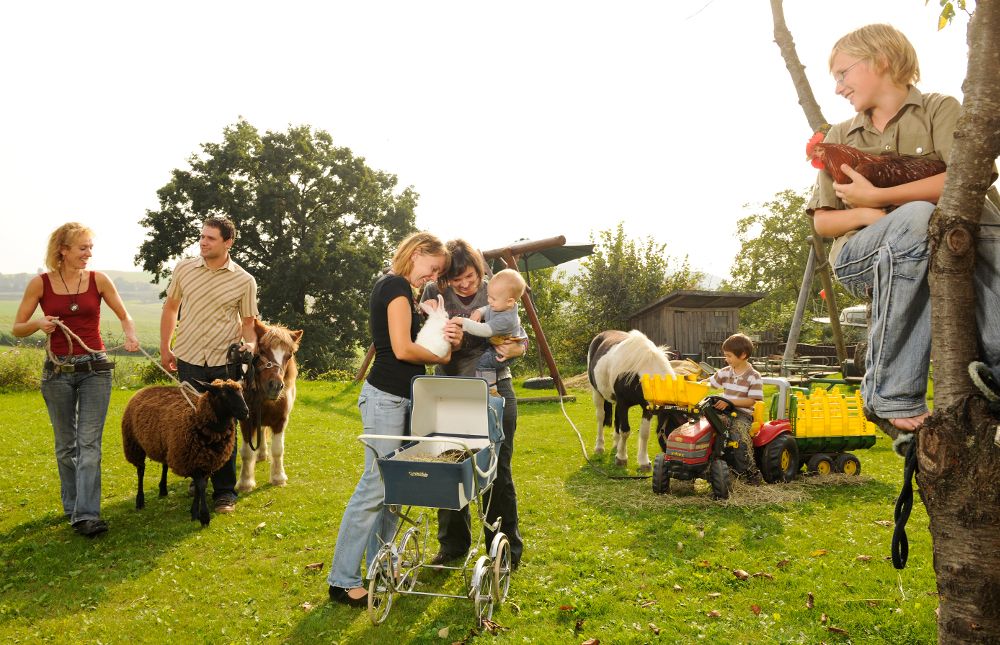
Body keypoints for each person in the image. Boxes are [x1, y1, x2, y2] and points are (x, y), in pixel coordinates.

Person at [808, 23, 1000, 432]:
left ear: (881, 60)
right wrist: (867, 215)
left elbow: (970, 177)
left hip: (957, 241)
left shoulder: (938, 108)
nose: (839, 87)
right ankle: (890, 392)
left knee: (979, 217)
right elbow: (823, 221)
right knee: (915, 217)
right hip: (863, 253)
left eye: (843, 73)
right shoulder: (842, 135)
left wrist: (876, 197)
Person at [327, 232, 457, 607]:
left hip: (398, 398)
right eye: (431, 268)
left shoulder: (397, 287)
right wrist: (441, 357)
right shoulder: (397, 286)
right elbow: (401, 348)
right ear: (417, 254)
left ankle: (381, 566)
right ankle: (342, 579)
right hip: (385, 399)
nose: (429, 277)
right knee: (376, 484)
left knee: (393, 486)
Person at [12, 223, 140, 537]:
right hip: (56, 372)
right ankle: (72, 507)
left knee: (89, 444)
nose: (89, 253)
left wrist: (130, 334)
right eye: (82, 248)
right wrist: (39, 323)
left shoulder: (99, 280)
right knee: (65, 446)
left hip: (95, 369)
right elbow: (17, 327)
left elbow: (124, 315)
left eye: (90, 248)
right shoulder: (40, 284)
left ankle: (86, 515)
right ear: (63, 250)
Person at [422, 240, 526, 570]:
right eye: (457, 280)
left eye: (469, 276)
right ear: (445, 279)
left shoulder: (495, 290)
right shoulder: (432, 292)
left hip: (493, 392)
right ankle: (452, 546)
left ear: (479, 270)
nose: (465, 285)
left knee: (496, 472)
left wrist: (517, 349)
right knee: (449, 468)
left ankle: (503, 548)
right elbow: (420, 336)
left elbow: (518, 337)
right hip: (448, 390)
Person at [159, 216, 259, 515]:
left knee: (225, 427)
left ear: (227, 242)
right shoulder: (184, 268)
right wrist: (166, 347)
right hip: (188, 356)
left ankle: (225, 492)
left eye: (210, 238)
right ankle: (198, 475)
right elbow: (171, 308)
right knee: (192, 422)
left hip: (222, 362)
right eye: (201, 237)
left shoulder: (244, 280)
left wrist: (251, 345)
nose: (203, 242)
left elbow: (249, 325)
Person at [456, 267, 528, 392]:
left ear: (510, 302)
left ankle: (490, 391)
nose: (489, 301)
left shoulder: (506, 319)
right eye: (488, 296)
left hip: (502, 352)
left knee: (484, 363)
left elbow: (485, 330)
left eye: (492, 299)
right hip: (496, 345)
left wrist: (463, 322)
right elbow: (488, 308)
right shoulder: (501, 304)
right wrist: (480, 311)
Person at [705, 333, 763, 483]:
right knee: (706, 427)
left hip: (743, 414)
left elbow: (752, 401)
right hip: (724, 411)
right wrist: (692, 382)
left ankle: (750, 472)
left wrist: (729, 401)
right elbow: (708, 383)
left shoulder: (753, 376)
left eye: (729, 356)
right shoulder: (725, 372)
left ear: (743, 355)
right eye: (725, 356)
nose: (726, 359)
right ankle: (708, 468)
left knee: (739, 436)